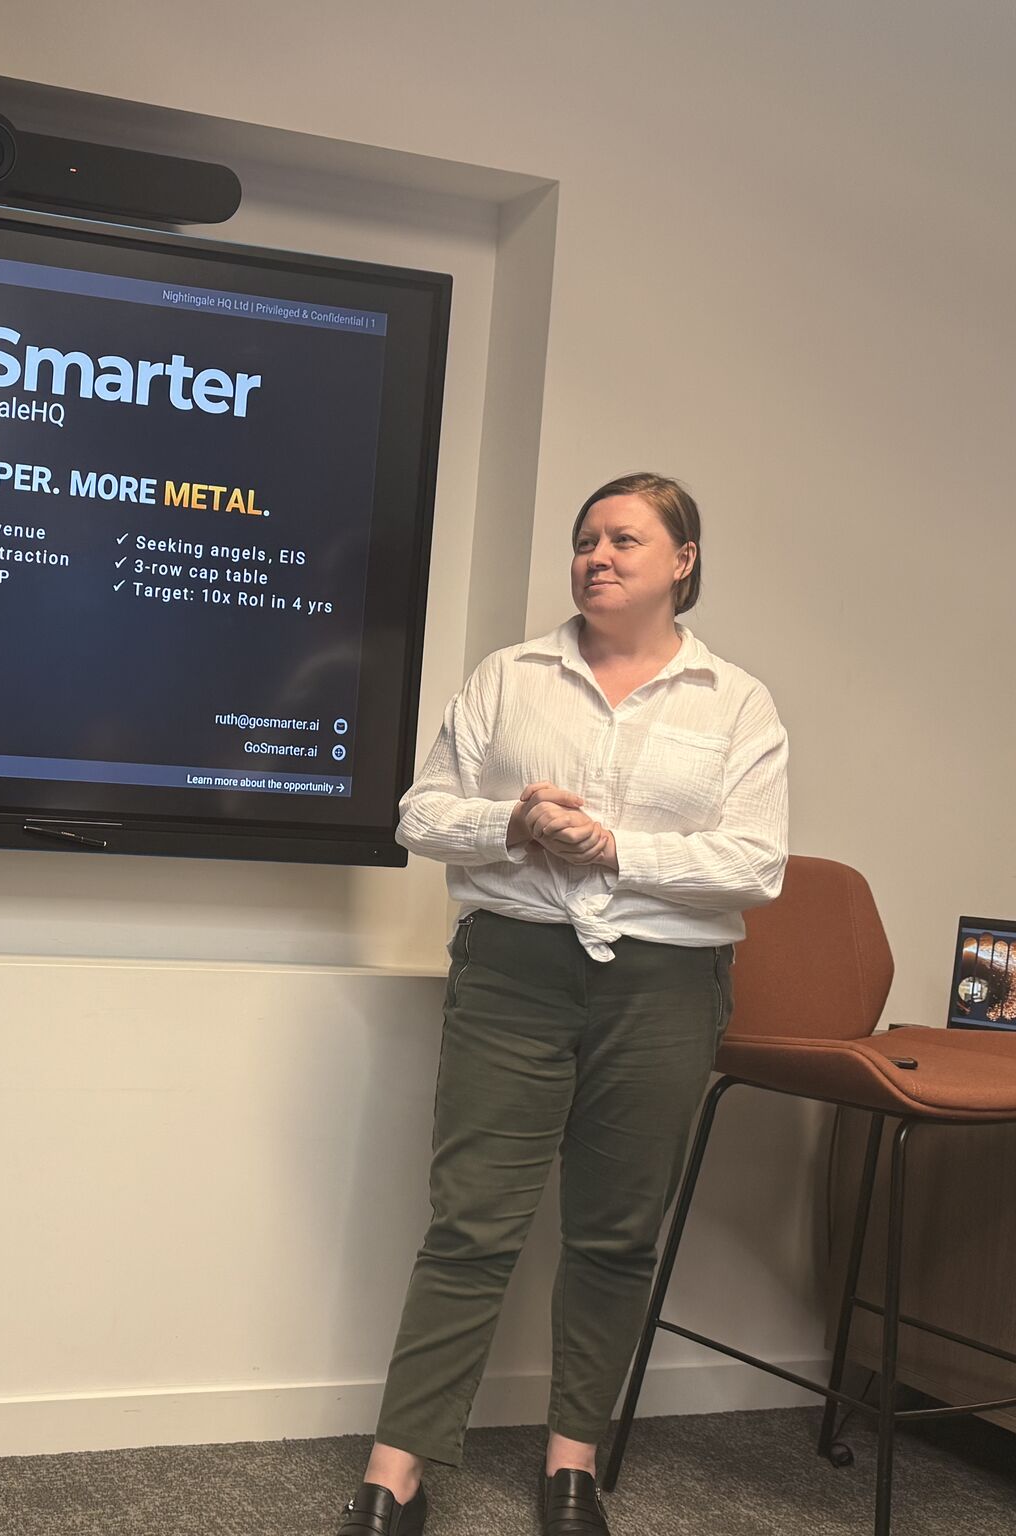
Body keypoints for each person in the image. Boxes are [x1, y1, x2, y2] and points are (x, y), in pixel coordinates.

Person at [336, 474, 789, 1536]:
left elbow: (755, 863)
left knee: (615, 1230)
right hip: (512, 970)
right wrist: (516, 821)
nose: (595, 556)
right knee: (470, 1224)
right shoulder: (510, 677)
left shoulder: (736, 703)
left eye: (624, 539)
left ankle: (569, 1466)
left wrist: (615, 846)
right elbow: (418, 813)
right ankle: (392, 1471)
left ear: (680, 560)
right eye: (584, 539)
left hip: (665, 985)